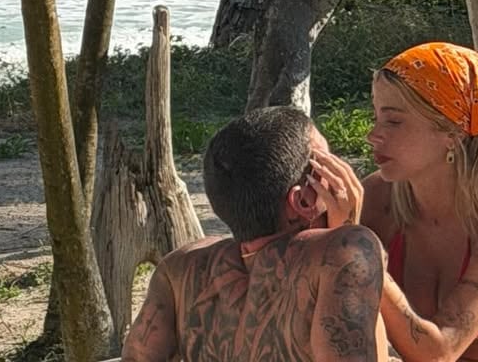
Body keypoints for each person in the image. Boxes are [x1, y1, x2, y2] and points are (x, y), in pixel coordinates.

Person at [325, 42, 478, 362]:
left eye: (393, 121)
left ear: (453, 131)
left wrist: (356, 244)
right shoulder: (378, 197)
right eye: (376, 117)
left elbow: (440, 352)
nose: (373, 135)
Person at [121, 105, 389, 362]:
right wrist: (348, 232)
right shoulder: (345, 252)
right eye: (327, 167)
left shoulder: (181, 269)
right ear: (303, 202)